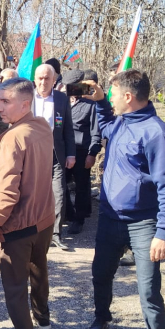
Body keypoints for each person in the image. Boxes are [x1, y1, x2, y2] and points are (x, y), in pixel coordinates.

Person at [87, 70, 165, 329]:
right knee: (101, 273)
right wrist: (100, 102)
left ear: (128, 97)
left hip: (143, 224)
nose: (111, 97)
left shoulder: (156, 133)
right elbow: (105, 127)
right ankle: (102, 317)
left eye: (113, 94)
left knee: (149, 293)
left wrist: (164, 232)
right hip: (110, 218)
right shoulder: (122, 122)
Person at [0, 78, 55, 329]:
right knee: (39, 268)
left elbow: (7, 188)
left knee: (14, 287)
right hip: (44, 218)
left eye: (5, 101)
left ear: (25, 104)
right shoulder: (41, 126)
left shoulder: (14, 137)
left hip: (20, 225)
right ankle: (42, 318)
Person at [32, 63, 76, 251]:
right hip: (32, 154)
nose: (43, 82)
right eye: (40, 78)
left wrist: (71, 154)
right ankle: (33, 232)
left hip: (56, 153)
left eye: (47, 78)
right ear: (35, 79)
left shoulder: (61, 99)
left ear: (53, 80)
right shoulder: (27, 97)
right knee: (33, 194)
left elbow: (68, 128)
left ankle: (55, 234)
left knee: (58, 193)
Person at [64, 69, 102, 235]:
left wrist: (92, 154)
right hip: (63, 151)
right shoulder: (61, 101)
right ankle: (68, 213)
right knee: (59, 185)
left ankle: (79, 219)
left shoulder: (90, 105)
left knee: (81, 187)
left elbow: (96, 132)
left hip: (81, 152)